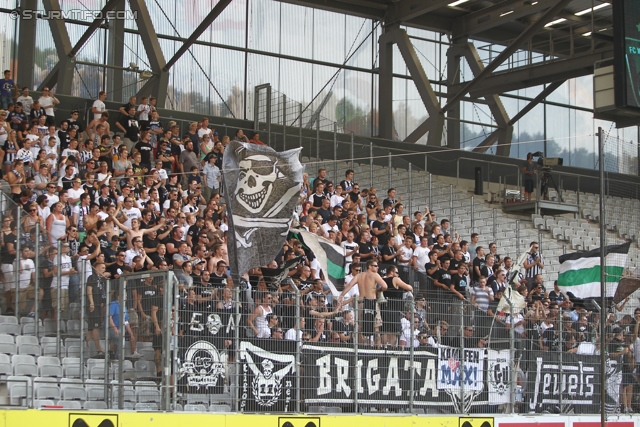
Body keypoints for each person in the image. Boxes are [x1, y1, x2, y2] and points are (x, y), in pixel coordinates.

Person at [338, 259, 388, 343]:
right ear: (369, 266)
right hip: (372, 302)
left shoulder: (359, 276)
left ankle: (360, 350)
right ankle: (378, 349)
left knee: (360, 327)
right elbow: (385, 286)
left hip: (361, 303)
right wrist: (378, 290)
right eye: (375, 266)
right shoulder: (375, 275)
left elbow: (349, 285)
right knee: (376, 327)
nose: (377, 267)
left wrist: (341, 296)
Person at [380, 265, 413, 346]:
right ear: (392, 272)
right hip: (394, 308)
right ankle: (392, 349)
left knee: (384, 330)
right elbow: (408, 287)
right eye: (397, 272)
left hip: (383, 307)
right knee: (394, 332)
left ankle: (384, 348)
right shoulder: (395, 279)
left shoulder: (381, 280)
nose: (398, 274)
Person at [86, 262, 108, 356]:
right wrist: (91, 303)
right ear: (96, 268)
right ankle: (98, 349)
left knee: (91, 328)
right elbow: (89, 290)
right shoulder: (92, 277)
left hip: (99, 306)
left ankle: (85, 344)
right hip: (93, 305)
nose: (104, 270)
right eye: (102, 267)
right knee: (95, 327)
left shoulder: (102, 280)